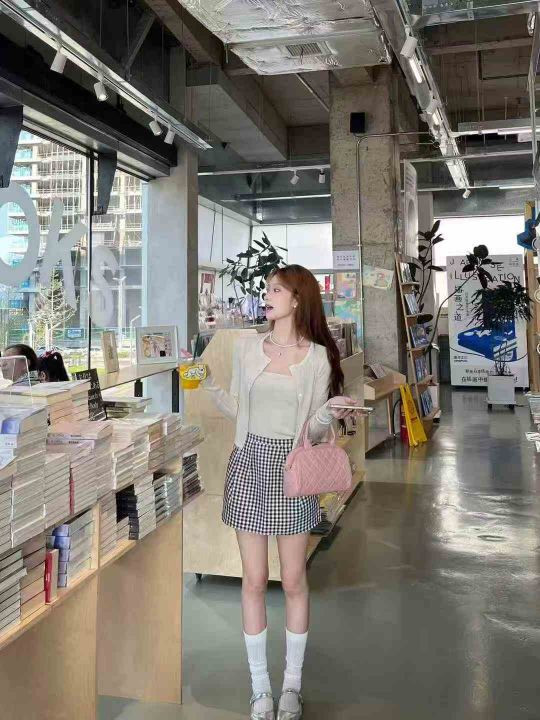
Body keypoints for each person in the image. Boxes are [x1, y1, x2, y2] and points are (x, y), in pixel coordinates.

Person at [202, 264, 361, 720]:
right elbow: (238, 408)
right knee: (253, 580)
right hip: (248, 466)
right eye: (267, 289)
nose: (267, 295)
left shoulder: (318, 358)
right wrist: (207, 382)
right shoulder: (247, 349)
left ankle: (292, 685)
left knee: (293, 580)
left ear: (297, 299)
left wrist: (330, 411)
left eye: (276, 289)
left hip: (291, 470)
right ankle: (260, 689)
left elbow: (313, 430)